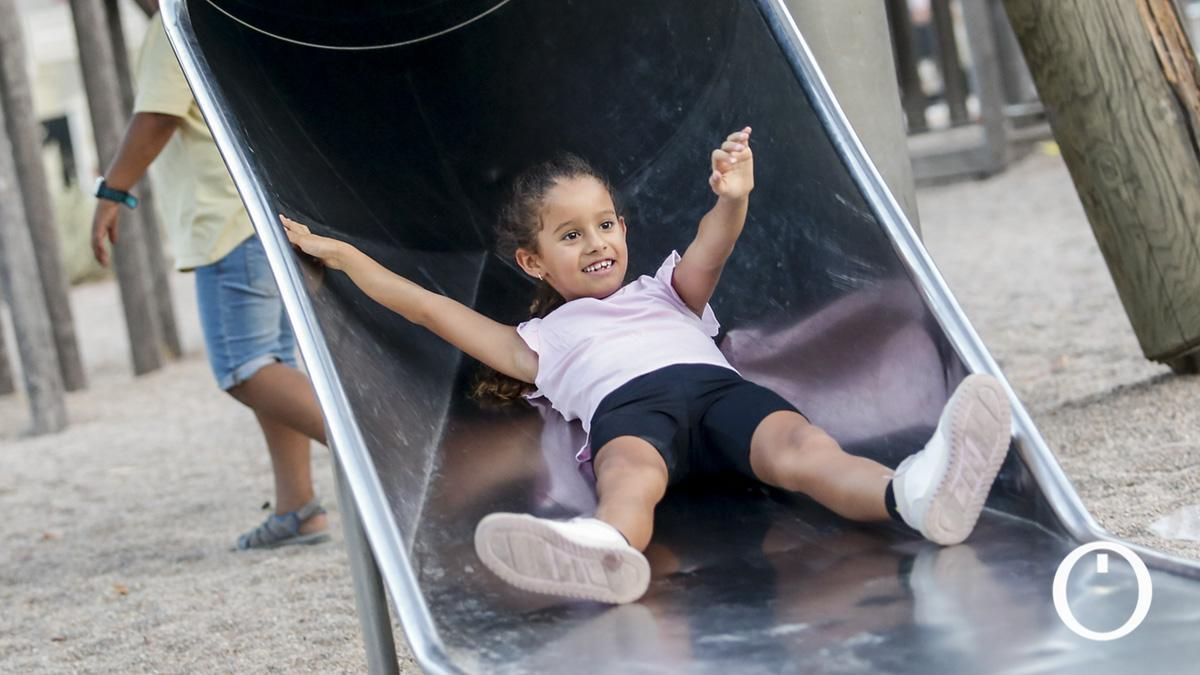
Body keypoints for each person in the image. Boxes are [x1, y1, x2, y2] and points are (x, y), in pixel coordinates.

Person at [280, 127, 1012, 603]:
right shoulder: (542, 338)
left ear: (624, 228)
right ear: (534, 261)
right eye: (571, 235)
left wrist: (734, 197)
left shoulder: (665, 292)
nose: (596, 242)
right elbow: (431, 311)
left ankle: (911, 494)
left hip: (719, 391)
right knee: (631, 472)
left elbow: (710, 248)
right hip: (629, 410)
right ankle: (604, 549)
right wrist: (344, 256)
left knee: (803, 448)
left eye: (605, 224)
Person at [90, 13, 330, 550]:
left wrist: (113, 192)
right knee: (270, 360)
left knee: (244, 367)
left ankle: (381, 462)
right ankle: (297, 507)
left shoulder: (171, 21)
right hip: (258, 212)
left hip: (224, 221)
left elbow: (156, 117)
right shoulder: (218, 13)